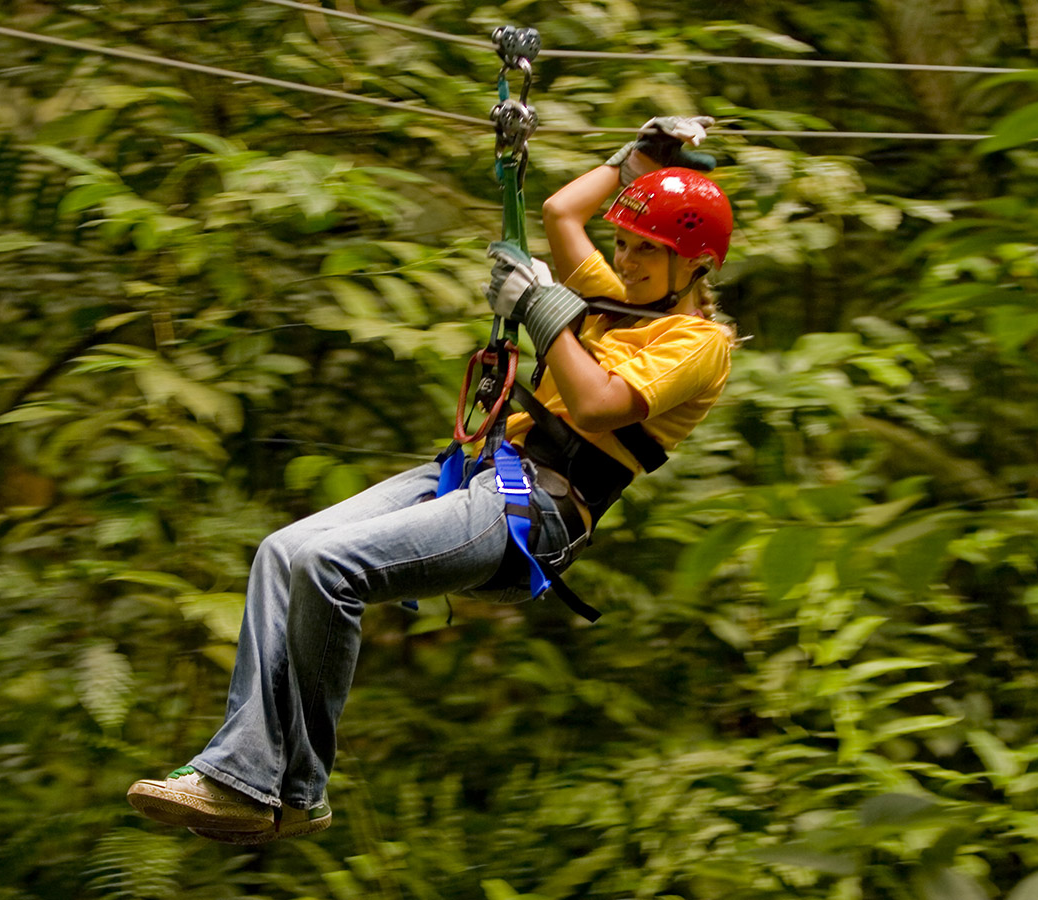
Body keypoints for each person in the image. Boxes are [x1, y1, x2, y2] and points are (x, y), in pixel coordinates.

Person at [126, 117, 735, 845]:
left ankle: (296, 789)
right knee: (283, 552)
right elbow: (560, 213)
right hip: (480, 473)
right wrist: (633, 160)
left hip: (534, 511)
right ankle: (240, 776)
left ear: (695, 264)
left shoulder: (696, 344)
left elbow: (603, 404)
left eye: (649, 250)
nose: (628, 259)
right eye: (625, 243)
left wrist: (541, 309)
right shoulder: (616, 298)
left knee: (328, 567)